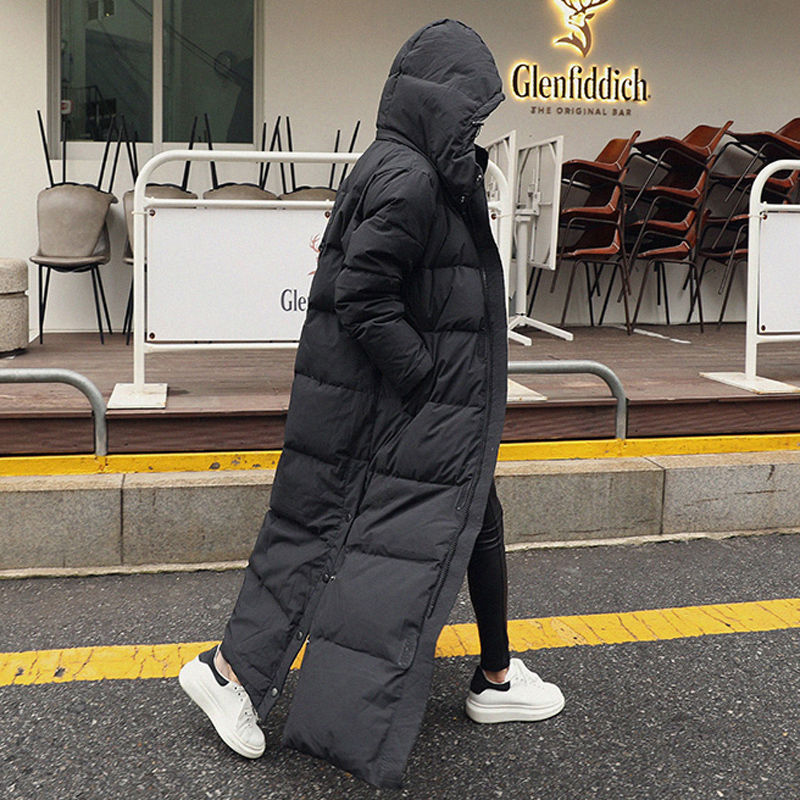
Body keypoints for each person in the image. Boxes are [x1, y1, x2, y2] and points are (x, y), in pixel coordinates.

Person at [179, 19, 564, 788]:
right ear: (441, 103)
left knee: (461, 515)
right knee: (325, 533)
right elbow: (363, 293)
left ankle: (495, 673)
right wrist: (423, 377)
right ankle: (231, 672)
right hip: (391, 404)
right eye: (472, 110)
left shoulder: (402, 164)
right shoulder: (413, 178)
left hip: (379, 400)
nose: (478, 126)